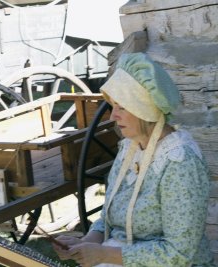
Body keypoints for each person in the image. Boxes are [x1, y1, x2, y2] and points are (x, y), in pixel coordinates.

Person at [53, 53, 215, 266]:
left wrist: (103, 255)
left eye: (122, 107)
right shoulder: (131, 147)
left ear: (143, 108)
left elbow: (179, 253)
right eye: (114, 106)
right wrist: (85, 244)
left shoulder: (180, 162)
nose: (112, 116)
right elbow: (110, 218)